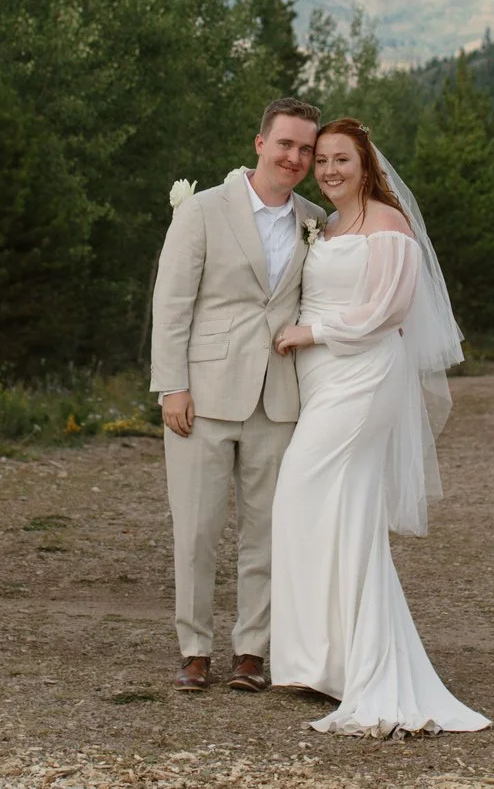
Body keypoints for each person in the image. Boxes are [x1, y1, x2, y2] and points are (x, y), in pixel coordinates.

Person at [267, 117, 490, 736]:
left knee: (306, 492)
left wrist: (312, 333)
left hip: (363, 377)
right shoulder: (330, 226)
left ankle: (360, 664)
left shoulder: (389, 226)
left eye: (342, 159)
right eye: (322, 161)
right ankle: (326, 661)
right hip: (321, 378)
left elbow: (387, 310)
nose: (330, 170)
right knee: (336, 508)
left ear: (367, 165)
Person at [148, 96, 328, 694]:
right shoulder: (203, 211)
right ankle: (194, 648)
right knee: (195, 531)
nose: (296, 157)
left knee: (266, 533)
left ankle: (251, 651)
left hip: (279, 400)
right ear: (259, 143)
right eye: (286, 144)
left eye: (306, 148)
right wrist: (172, 385)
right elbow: (172, 303)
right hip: (201, 397)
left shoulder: (314, 220)